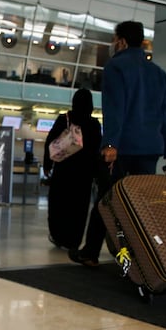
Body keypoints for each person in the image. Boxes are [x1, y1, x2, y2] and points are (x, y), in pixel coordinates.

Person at [69, 20, 166, 268]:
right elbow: (165, 114)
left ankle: (91, 253)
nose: (112, 44)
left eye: (113, 39)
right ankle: (140, 259)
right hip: (150, 150)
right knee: (140, 206)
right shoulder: (158, 74)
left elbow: (115, 109)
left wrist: (110, 144)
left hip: (122, 149)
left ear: (121, 41)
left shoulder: (116, 67)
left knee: (108, 201)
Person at [43, 88, 102, 250]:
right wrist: (97, 173)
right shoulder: (94, 124)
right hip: (84, 175)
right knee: (79, 208)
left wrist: (47, 165)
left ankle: (57, 235)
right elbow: (97, 150)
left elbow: (51, 141)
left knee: (58, 204)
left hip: (63, 171)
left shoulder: (64, 119)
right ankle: (73, 240)